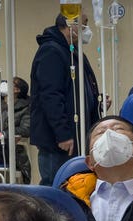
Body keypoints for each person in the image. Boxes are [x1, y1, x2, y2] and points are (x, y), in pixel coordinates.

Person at [31, 13, 101, 186]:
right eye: (84, 25)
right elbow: (50, 95)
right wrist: (62, 133)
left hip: (74, 134)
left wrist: (95, 101)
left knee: (74, 187)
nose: (87, 30)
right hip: (60, 140)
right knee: (56, 187)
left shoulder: (73, 52)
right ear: (71, 25)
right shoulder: (51, 51)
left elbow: (77, 88)